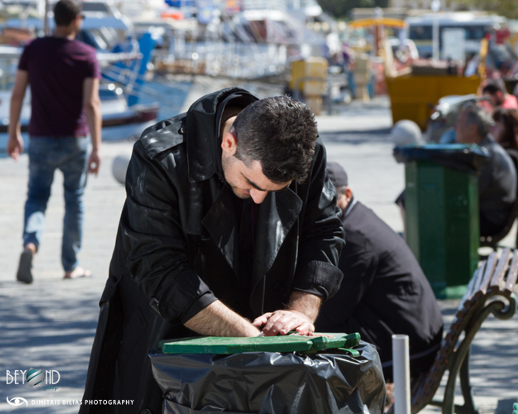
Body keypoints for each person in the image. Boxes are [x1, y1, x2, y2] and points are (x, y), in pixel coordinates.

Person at [80, 88, 345, 414]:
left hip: (265, 356)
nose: (260, 199)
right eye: (252, 183)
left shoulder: (304, 152)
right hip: (165, 343)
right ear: (228, 143)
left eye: (274, 191)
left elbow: (325, 232)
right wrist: (252, 338)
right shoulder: (160, 157)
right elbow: (160, 271)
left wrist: (301, 311)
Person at [315, 162, 443, 383]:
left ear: (347, 194)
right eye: (315, 200)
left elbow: (333, 310)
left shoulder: (356, 235)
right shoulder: (356, 218)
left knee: (311, 333)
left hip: (411, 347)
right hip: (413, 332)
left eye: (328, 199)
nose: (320, 207)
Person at [6, 0, 102, 283]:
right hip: (75, 140)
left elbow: (17, 94)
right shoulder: (87, 55)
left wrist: (13, 133)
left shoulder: (33, 49)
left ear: (55, 18)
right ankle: (71, 266)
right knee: (74, 201)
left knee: (37, 196)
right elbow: (92, 104)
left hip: (40, 138)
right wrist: (97, 148)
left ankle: (30, 245)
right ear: (77, 20)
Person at [455, 103, 517, 238]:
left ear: (472, 129)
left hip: (491, 220)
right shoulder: (487, 149)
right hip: (494, 215)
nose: (455, 127)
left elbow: (468, 194)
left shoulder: (485, 155)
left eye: (459, 122)